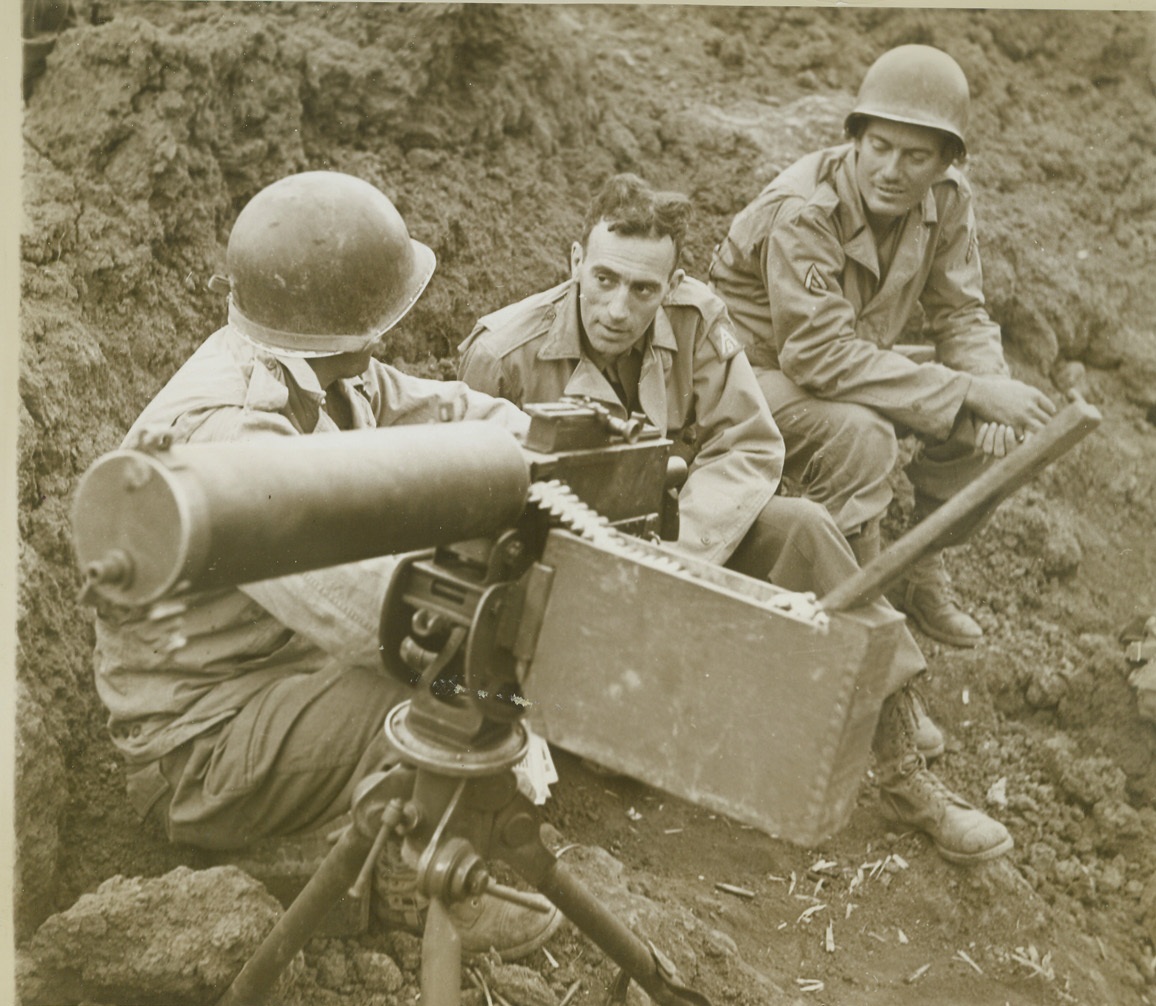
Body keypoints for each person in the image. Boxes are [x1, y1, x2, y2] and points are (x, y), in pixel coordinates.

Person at [458, 172, 1013, 864]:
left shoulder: (694, 320)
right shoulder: (503, 353)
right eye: (603, 279)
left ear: (672, 283)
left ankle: (904, 772)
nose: (618, 309)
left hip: (675, 546)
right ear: (574, 262)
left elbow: (748, 444)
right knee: (620, 760)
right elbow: (474, 511)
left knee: (806, 529)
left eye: (643, 290)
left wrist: (680, 553)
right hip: (559, 583)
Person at [89, 170, 561, 958]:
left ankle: (394, 826)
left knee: (468, 665)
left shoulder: (323, 369)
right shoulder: (230, 437)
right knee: (444, 671)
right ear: (361, 323)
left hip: (276, 683)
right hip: (201, 747)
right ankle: (422, 883)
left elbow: (447, 416)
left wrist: (560, 447)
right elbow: (373, 615)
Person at [709, 44, 1057, 649]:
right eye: (879, 147)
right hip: (745, 377)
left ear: (946, 161)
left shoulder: (948, 199)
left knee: (991, 434)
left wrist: (985, 384)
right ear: (856, 138)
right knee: (864, 435)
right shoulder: (803, 210)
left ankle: (920, 568)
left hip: (845, 362)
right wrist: (969, 390)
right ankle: (858, 631)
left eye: (916, 155)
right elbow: (813, 354)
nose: (892, 170)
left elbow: (962, 312)